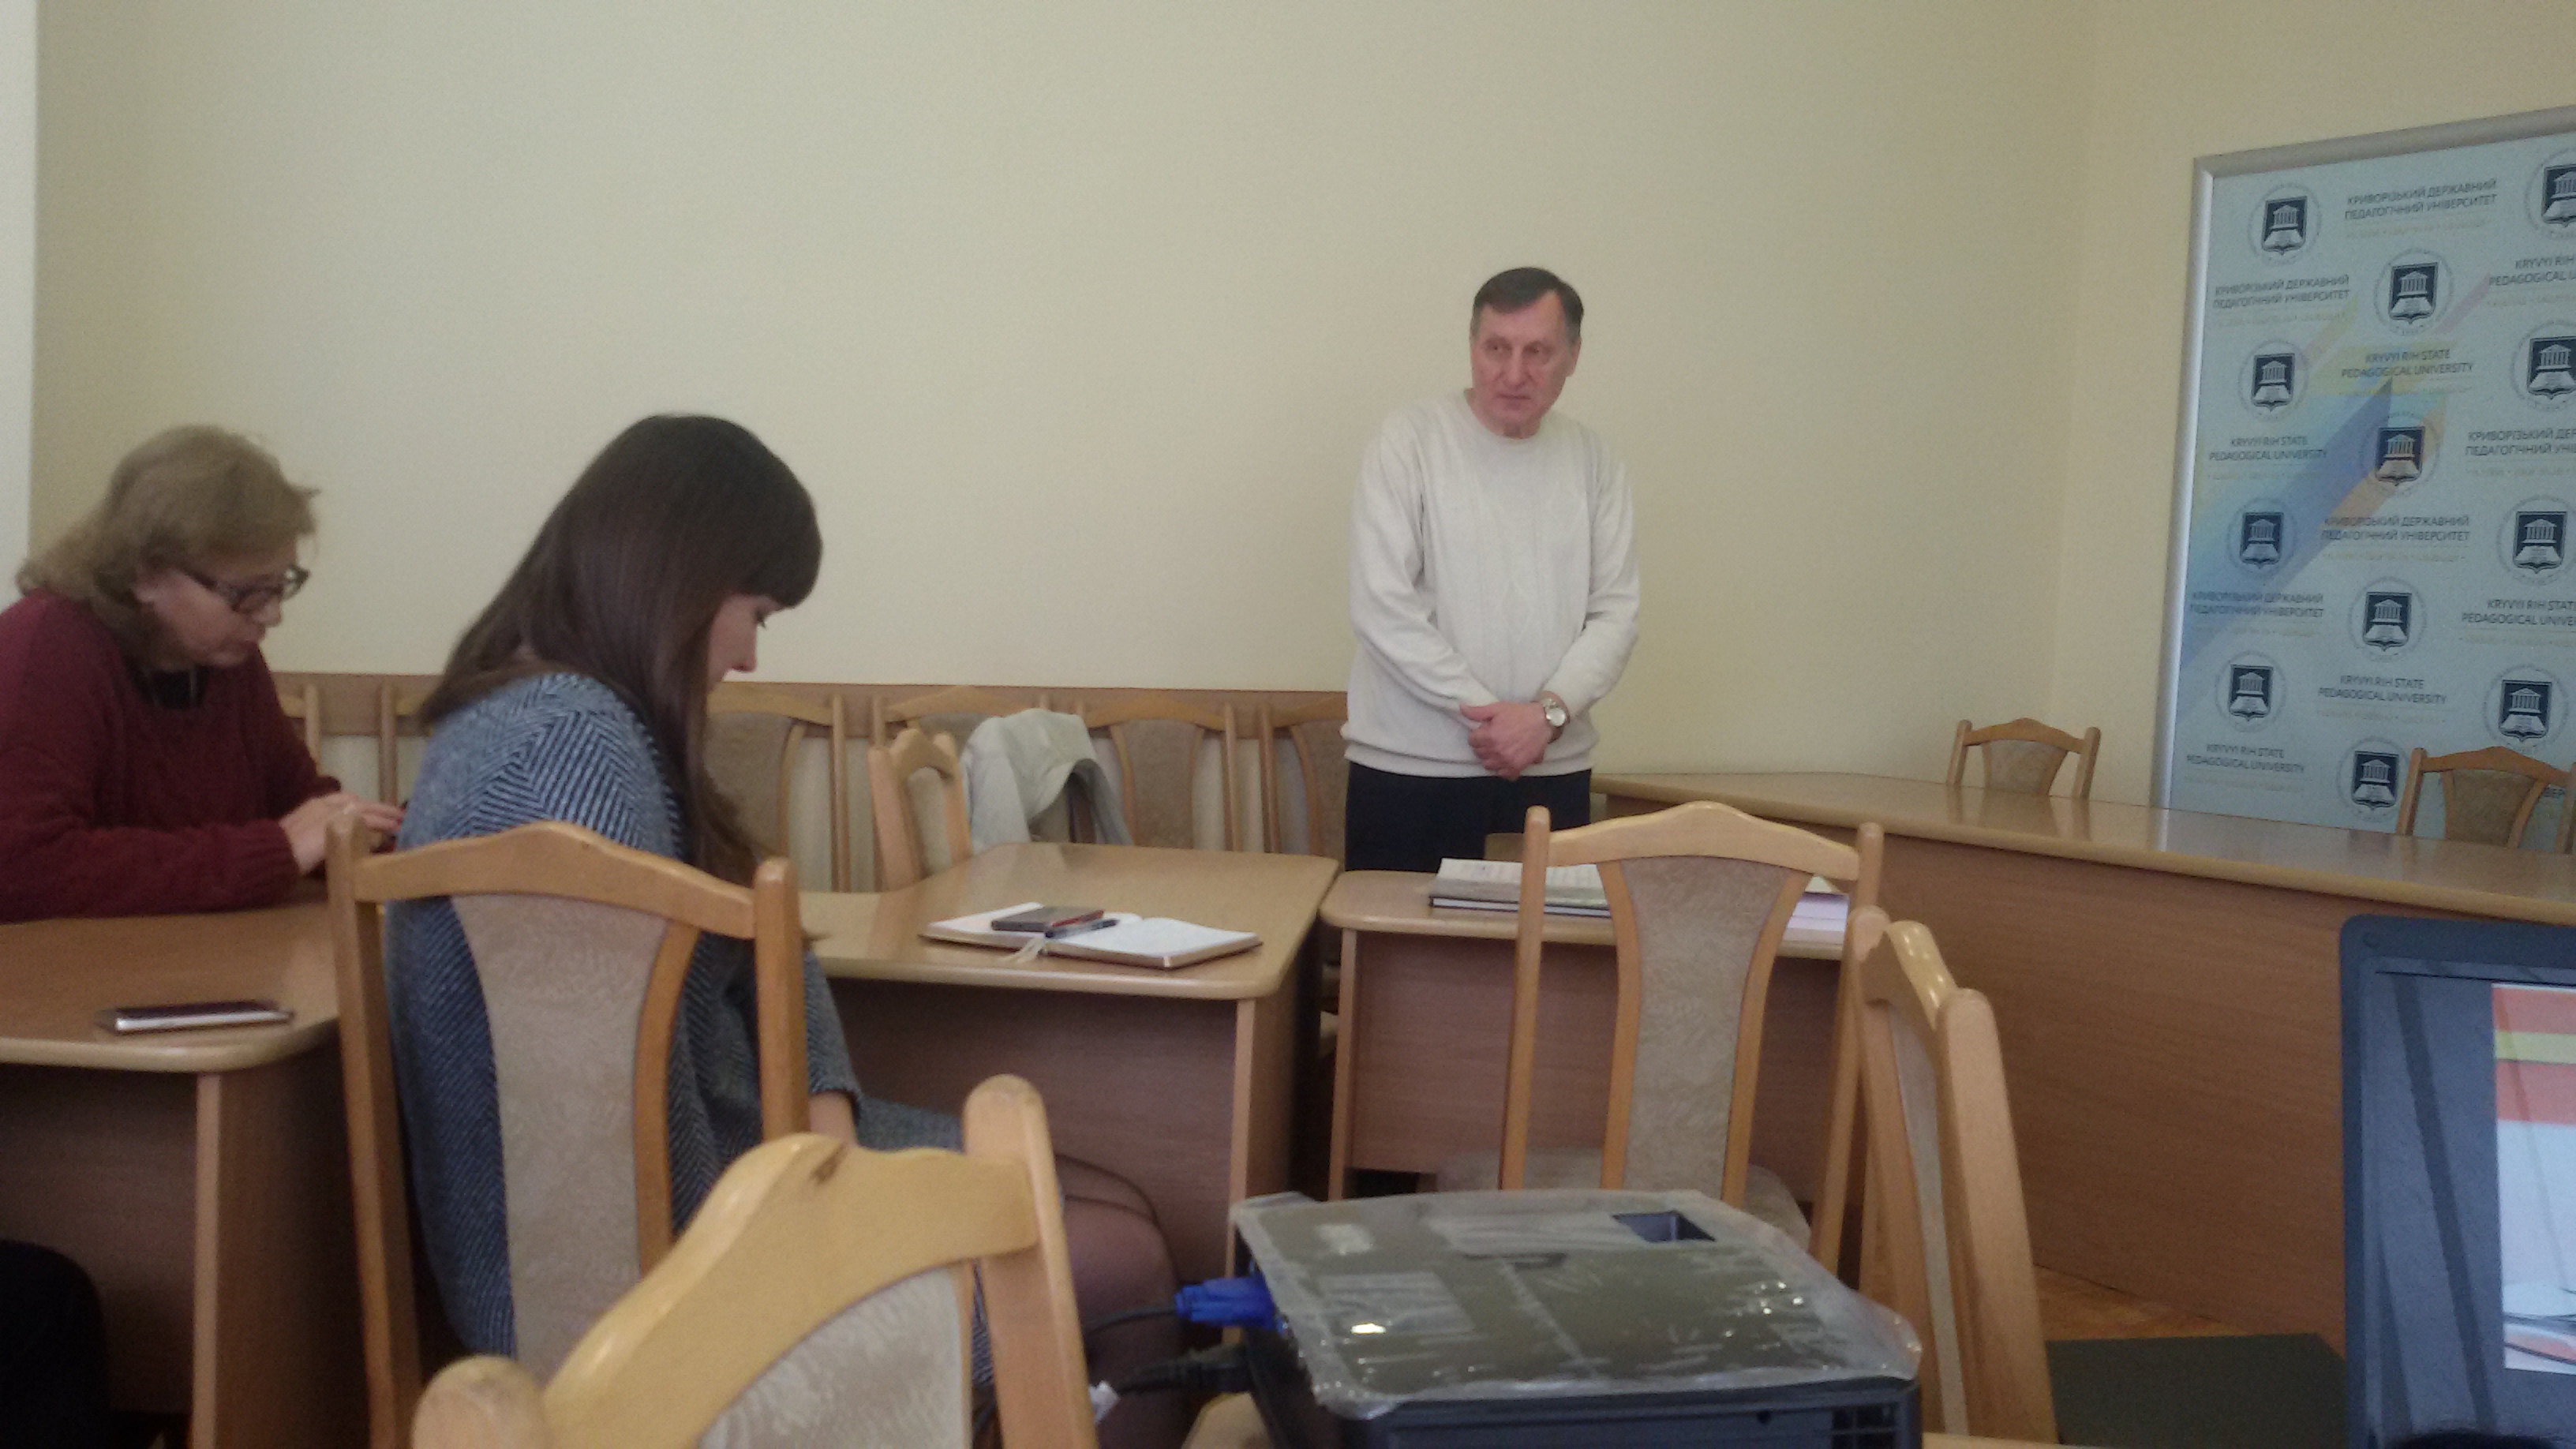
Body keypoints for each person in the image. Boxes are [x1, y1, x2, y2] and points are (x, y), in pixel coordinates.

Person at [387, 416, 1181, 1444]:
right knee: (1126, 1265)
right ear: (676, 578)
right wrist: (816, 1229)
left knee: (1113, 1206)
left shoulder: (541, 715)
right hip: (655, 1283)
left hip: (726, 1164)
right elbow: (611, 1155)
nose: (751, 656)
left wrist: (825, 1115)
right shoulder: (570, 746)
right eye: (753, 612)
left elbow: (763, 943)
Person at [0, 425, 402, 923]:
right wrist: (275, 852)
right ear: (146, 575)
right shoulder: (47, 647)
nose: (272, 614)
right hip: (69, 968)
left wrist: (382, 837)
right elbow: (21, 867)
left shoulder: (225, 655)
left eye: (280, 585)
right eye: (246, 592)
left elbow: (298, 806)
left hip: (194, 956)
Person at [1342, 267, 1641, 872]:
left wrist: (1545, 719)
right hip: (1409, 772)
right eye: (1496, 348)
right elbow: (1382, 605)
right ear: (1472, 346)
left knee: (1546, 938)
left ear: (1573, 356)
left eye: (1538, 352)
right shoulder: (1407, 442)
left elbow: (1615, 613)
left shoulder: (1595, 461)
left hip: (1551, 770)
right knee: (1396, 938)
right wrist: (1493, 718)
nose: (1513, 373)